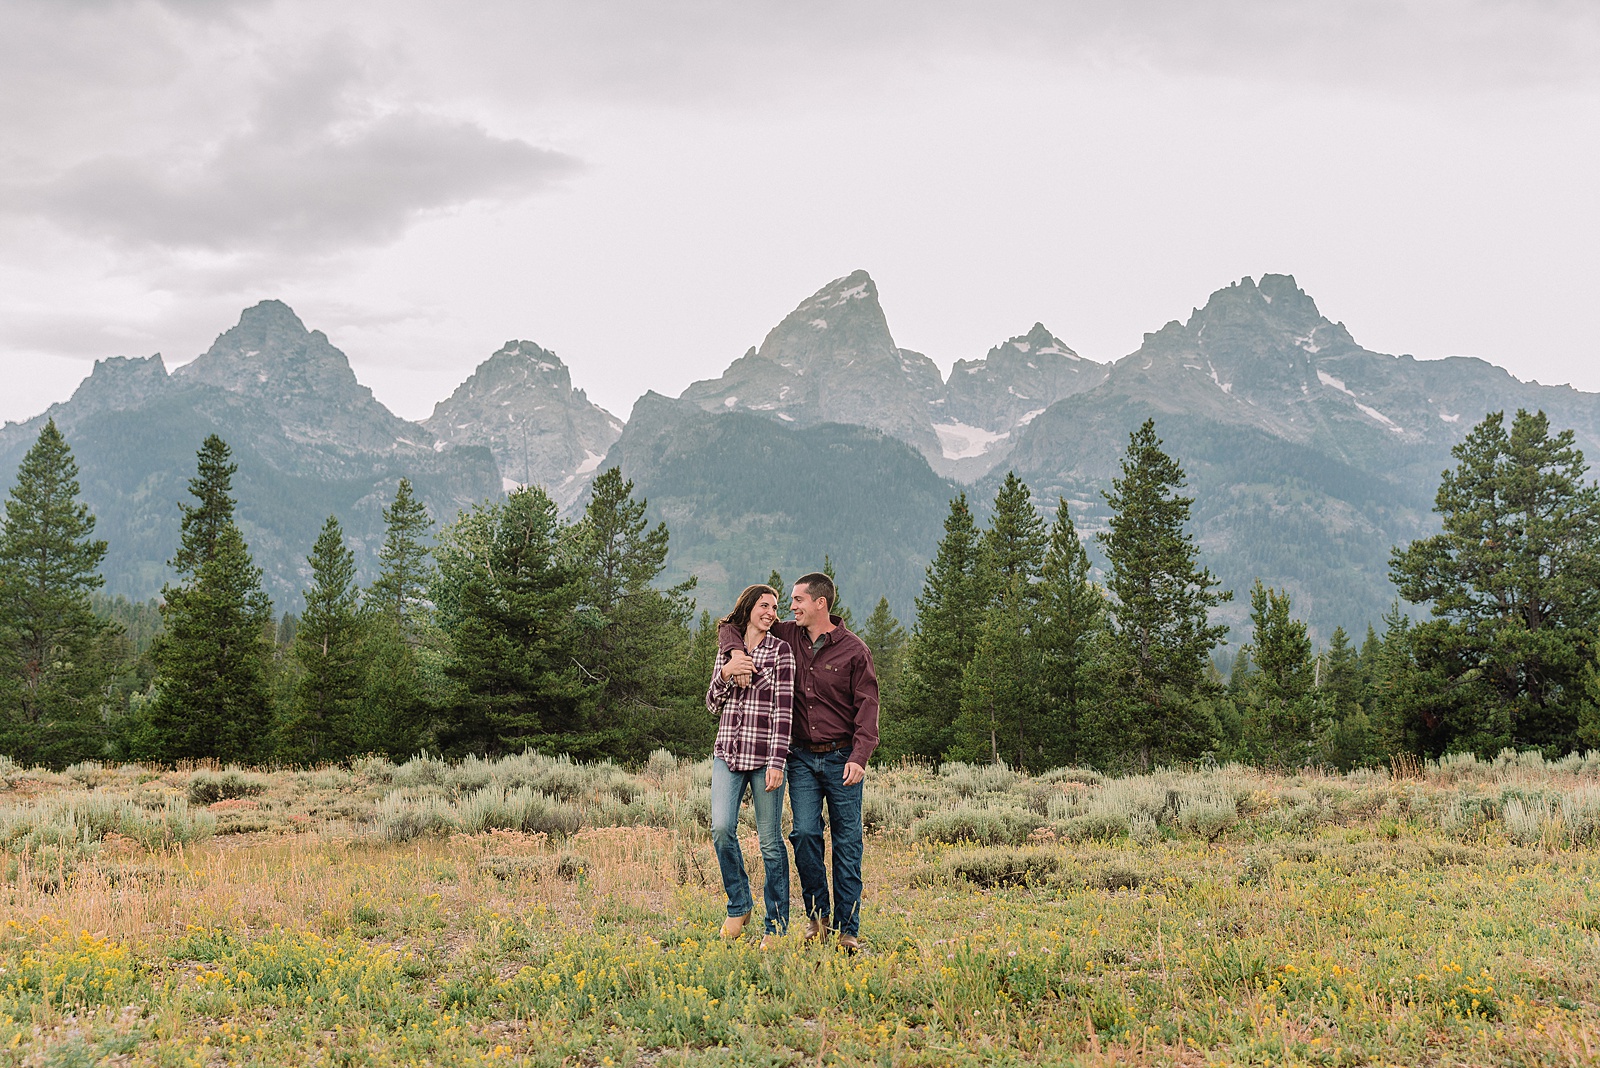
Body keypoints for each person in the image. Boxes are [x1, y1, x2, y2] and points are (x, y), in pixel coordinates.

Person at [720, 571, 878, 952]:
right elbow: (731, 625)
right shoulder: (788, 636)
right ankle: (817, 918)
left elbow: (868, 708)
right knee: (804, 835)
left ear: (819, 603)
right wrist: (736, 653)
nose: (791, 608)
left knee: (846, 843)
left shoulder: (855, 650)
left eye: (797, 601)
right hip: (803, 758)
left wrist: (860, 756)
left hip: (842, 758)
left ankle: (848, 929)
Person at [705, 584, 795, 947]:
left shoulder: (781, 652)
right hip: (728, 752)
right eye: (764, 605)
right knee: (721, 829)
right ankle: (739, 905)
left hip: (764, 759)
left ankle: (775, 926)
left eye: (775, 607)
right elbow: (712, 705)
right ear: (748, 607)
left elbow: (783, 712)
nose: (771, 612)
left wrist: (777, 762)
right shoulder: (730, 650)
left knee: (770, 843)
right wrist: (728, 672)